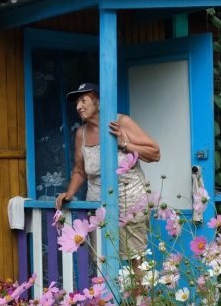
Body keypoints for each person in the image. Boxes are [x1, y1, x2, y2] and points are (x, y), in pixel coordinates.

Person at [54, 82, 161, 261]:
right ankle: (107, 291)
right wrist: (69, 193)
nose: (78, 106)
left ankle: (138, 290)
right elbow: (80, 171)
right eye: (76, 103)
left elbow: (155, 153)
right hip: (98, 207)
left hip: (130, 202)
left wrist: (125, 144)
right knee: (102, 259)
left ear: (97, 101)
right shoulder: (81, 133)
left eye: (83, 100)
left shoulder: (122, 122)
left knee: (136, 259)